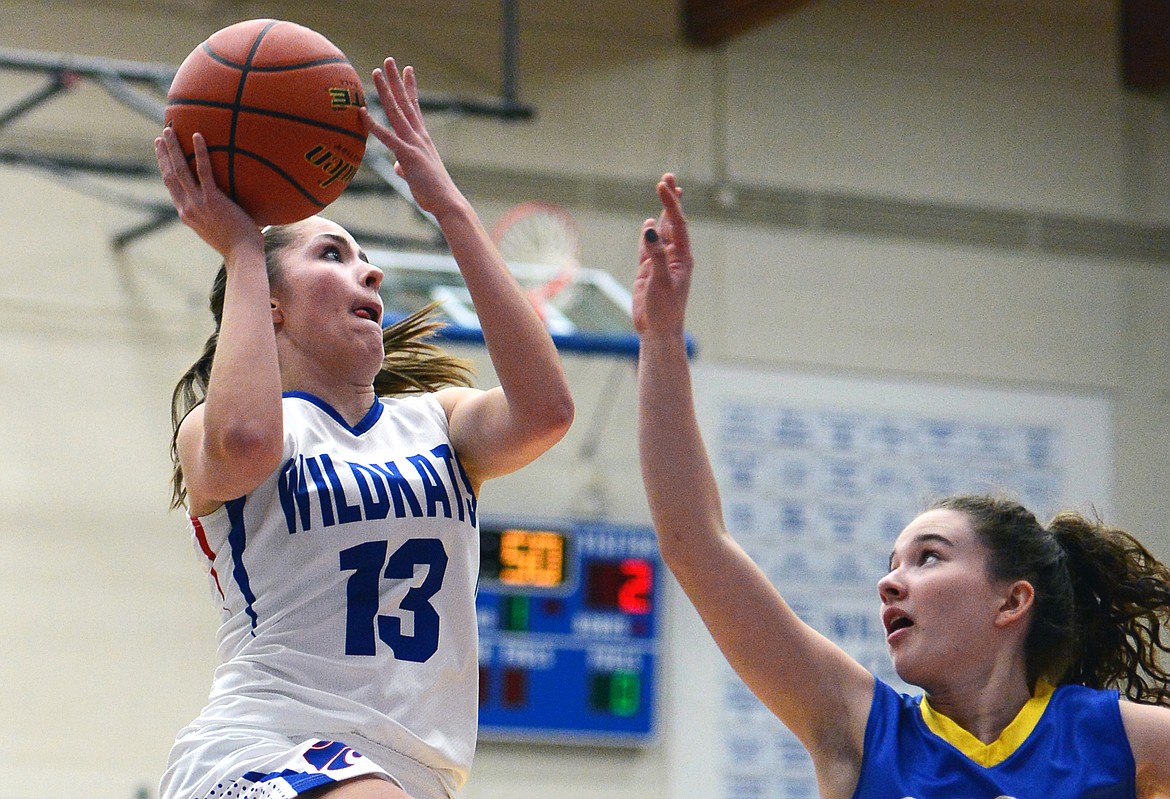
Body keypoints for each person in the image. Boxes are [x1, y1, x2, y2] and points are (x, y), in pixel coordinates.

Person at [633, 173, 1170, 798]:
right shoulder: (862, 731)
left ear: (1011, 601)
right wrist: (662, 341)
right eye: (893, 564)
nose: (890, 581)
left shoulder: (1115, 738)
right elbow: (696, 543)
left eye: (929, 557)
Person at [155, 58, 573, 799]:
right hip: (266, 745)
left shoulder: (439, 421)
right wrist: (243, 249)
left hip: (416, 772)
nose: (370, 273)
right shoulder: (221, 428)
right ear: (272, 306)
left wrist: (448, 207)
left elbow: (547, 411)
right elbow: (246, 444)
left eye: (368, 258)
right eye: (333, 254)